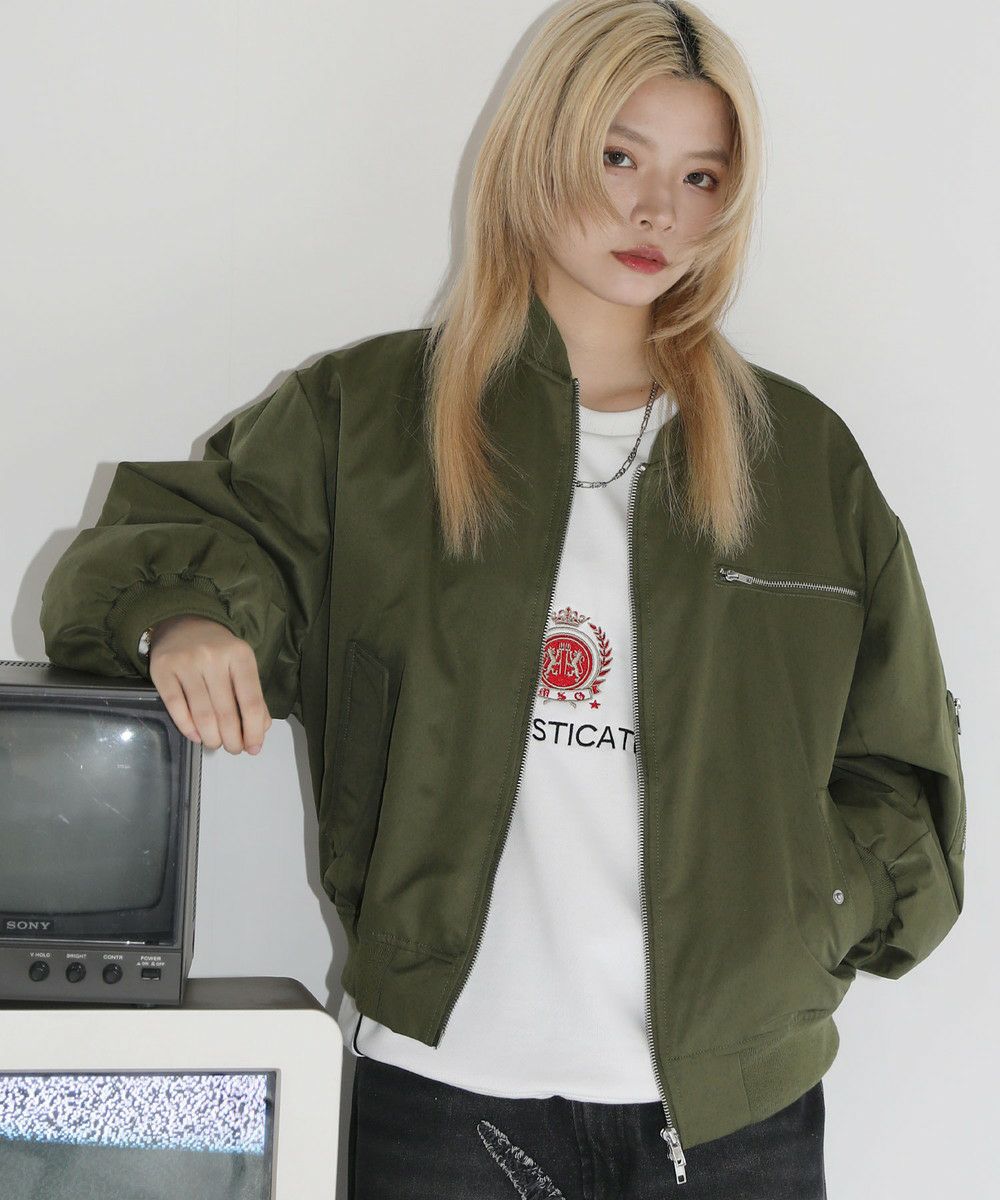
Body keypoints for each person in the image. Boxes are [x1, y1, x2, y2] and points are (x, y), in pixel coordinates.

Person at [39, 1, 967, 1196]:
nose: (656, 211)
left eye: (699, 176)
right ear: (538, 150)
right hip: (442, 1103)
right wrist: (184, 618)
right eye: (619, 157)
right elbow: (159, 545)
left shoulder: (798, 458)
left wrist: (807, 920)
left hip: (736, 1118)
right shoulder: (367, 420)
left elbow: (898, 758)